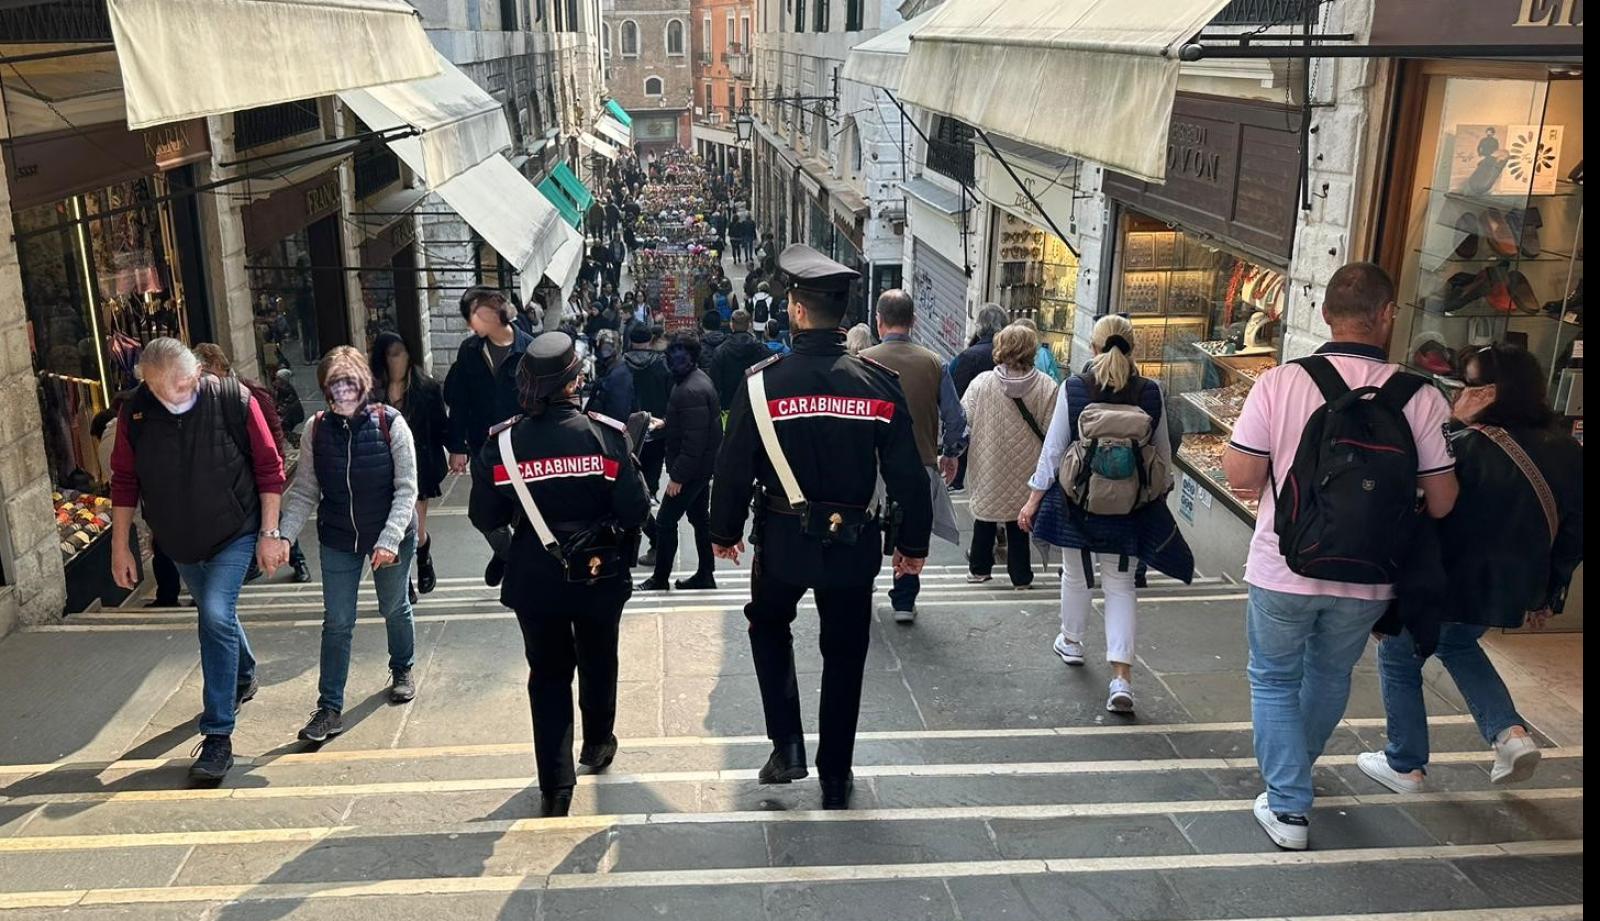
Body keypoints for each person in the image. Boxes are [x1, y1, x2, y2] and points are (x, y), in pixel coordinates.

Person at [1221, 262, 1459, 851]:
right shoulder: (1423, 397)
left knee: (1274, 679)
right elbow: (1446, 501)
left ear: (1324, 314)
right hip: (1371, 576)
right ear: (1387, 317)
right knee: (1329, 675)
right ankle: (1290, 786)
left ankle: (1289, 805)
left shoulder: (1281, 382)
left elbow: (1242, 474)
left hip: (1284, 564)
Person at [709, 244, 933, 810]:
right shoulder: (879, 384)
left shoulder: (762, 384)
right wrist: (912, 545)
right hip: (854, 543)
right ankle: (836, 772)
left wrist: (723, 530)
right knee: (846, 648)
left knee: (767, 624)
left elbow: (733, 466)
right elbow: (908, 473)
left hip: (782, 541)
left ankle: (786, 745)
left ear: (797, 311)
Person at [1362, 344, 1583, 796]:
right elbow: (1575, 532)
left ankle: (1405, 763)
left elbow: (1417, 498)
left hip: (1443, 578)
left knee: (1400, 656)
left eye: (1469, 384)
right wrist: (1549, 590)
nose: (1460, 390)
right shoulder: (1568, 448)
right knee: (1458, 644)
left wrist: (1451, 423)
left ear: (1490, 394)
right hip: (1507, 585)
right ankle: (1509, 734)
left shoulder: (1461, 443)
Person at [468, 333, 650, 818]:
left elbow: (483, 514)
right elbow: (634, 512)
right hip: (598, 572)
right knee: (599, 658)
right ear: (575, 381)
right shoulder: (607, 436)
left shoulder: (503, 444)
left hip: (536, 575)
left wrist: (517, 547)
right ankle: (596, 744)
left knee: (547, 674)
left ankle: (555, 783)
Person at [109, 338, 287, 781]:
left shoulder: (231, 398)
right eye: (168, 390)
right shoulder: (135, 414)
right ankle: (244, 672)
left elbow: (270, 468)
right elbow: (124, 481)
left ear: (197, 373)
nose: (181, 396)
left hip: (236, 529)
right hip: (179, 540)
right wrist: (119, 547)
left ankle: (218, 735)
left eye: (187, 384)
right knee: (219, 615)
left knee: (212, 613)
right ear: (148, 384)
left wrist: (269, 533)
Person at [1019, 314, 1189, 715]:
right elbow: (1162, 454)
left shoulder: (1075, 388)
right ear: (1134, 348)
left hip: (1079, 501)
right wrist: (1155, 495)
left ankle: (1072, 642)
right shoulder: (1151, 392)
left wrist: (1032, 500)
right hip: (1130, 507)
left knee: (1076, 575)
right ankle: (1121, 679)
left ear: (1093, 348)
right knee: (1121, 585)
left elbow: (1054, 451)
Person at [276, 347, 420, 742]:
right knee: (337, 622)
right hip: (339, 537)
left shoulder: (391, 423)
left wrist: (389, 539)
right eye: (333, 387)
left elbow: (407, 489)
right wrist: (285, 533)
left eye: (349, 384)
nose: (341, 394)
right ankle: (329, 708)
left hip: (390, 534)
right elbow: (305, 490)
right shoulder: (315, 429)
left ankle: (403, 665)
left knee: (393, 606)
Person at [861, 289, 967, 623]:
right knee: (913, 528)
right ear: (913, 322)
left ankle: (861, 591)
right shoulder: (935, 363)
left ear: (879, 321)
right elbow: (956, 418)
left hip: (871, 463)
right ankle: (904, 599)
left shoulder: (862, 361)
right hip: (920, 460)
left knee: (864, 528)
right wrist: (950, 454)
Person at [193, 343, 308, 586]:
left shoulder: (246, 391)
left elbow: (273, 428)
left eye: (204, 369)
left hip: (254, 470)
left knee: (273, 516)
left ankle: (298, 560)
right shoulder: (204, 396)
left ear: (214, 366)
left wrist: (275, 465)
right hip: (231, 475)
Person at [962, 324, 1057, 589]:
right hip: (1028, 465)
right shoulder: (1047, 386)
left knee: (986, 515)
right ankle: (1021, 576)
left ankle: (979, 569)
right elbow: (1053, 432)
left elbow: (963, 421)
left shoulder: (982, 384)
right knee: (1019, 520)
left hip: (988, 462)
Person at [638, 332, 721, 592]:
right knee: (699, 519)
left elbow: (693, 442)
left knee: (664, 522)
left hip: (691, 470)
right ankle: (705, 573)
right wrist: (667, 424)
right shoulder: (694, 381)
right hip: (701, 467)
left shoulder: (689, 389)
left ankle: (660, 578)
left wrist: (678, 477)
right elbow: (692, 428)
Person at [371, 332, 450, 596]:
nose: (399, 360)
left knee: (415, 526)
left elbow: (440, 426)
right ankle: (403, 582)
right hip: (382, 467)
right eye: (393, 354)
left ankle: (424, 558)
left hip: (419, 467)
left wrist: (457, 451)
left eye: (403, 352)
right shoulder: (371, 393)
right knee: (393, 526)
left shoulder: (426, 388)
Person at [445, 287, 533, 476]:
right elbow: (459, 400)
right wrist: (458, 447)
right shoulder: (469, 350)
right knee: (484, 504)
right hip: (482, 446)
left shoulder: (529, 350)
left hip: (521, 447)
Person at [948, 304, 1008, 490]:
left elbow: (956, 398)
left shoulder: (968, 356)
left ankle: (957, 483)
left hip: (973, 426)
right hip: (1001, 427)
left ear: (980, 327)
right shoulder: (1010, 355)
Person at [624, 324, 673, 501]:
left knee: (629, 464)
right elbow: (671, 393)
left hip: (628, 426)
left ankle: (634, 496)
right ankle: (651, 493)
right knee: (654, 462)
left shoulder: (622, 364)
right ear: (650, 341)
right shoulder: (662, 364)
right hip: (657, 423)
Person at [710, 309, 770, 416]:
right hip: (754, 406)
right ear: (749, 325)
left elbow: (715, 383)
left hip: (728, 406)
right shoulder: (761, 350)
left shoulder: (720, 351)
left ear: (731, 325)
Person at [587, 328, 635, 422]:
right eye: (603, 347)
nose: (605, 351)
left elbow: (618, 413)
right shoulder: (610, 368)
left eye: (609, 348)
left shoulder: (620, 374)